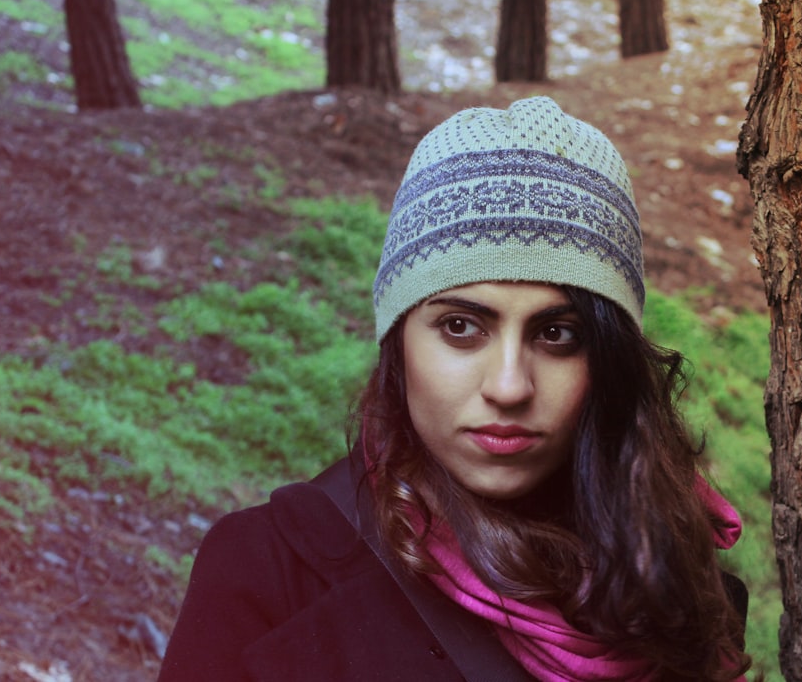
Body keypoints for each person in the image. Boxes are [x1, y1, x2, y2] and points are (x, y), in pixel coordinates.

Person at [158, 96, 751, 681]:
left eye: (557, 334)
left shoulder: (680, 593)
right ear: (399, 341)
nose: (509, 386)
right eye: (461, 327)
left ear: (610, 358)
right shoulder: (269, 578)